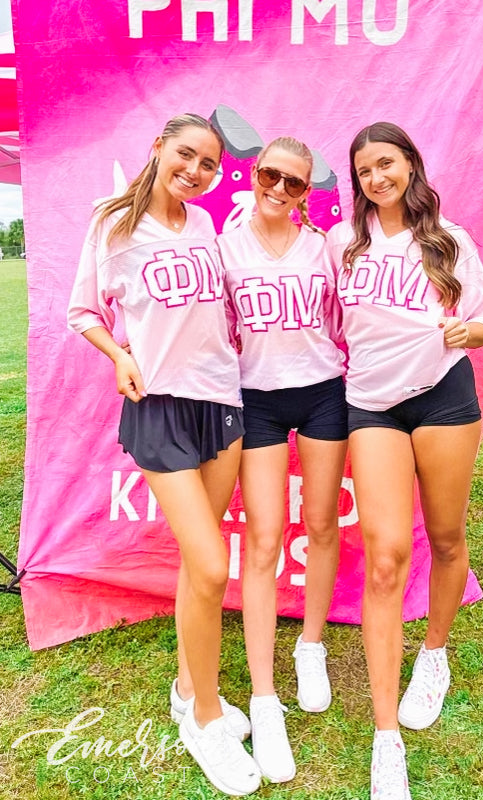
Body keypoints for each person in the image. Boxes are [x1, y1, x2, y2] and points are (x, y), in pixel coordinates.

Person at [67, 113, 262, 797]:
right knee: (210, 563)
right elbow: (83, 312)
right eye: (186, 155)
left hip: (222, 403)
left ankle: (188, 688)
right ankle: (205, 720)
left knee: (198, 566)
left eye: (209, 164)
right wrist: (118, 355)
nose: (196, 171)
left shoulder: (206, 224)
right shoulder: (112, 223)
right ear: (158, 148)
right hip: (159, 406)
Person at [327, 122, 483, 800]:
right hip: (371, 405)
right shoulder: (342, 245)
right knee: (386, 558)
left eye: (386, 164)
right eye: (364, 170)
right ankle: (385, 739)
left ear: (410, 165)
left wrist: (466, 329)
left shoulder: (446, 239)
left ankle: (433, 654)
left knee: (448, 537)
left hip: (442, 396)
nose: (377, 178)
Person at [218, 137, 347, 783]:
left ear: (307, 191)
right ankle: (264, 700)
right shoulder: (225, 245)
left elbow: (352, 317)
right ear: (253, 172)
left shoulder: (323, 246)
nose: (278, 188)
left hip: (324, 392)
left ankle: (311, 645)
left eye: (294, 182)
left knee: (321, 524)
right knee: (264, 539)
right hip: (257, 398)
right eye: (271, 175)